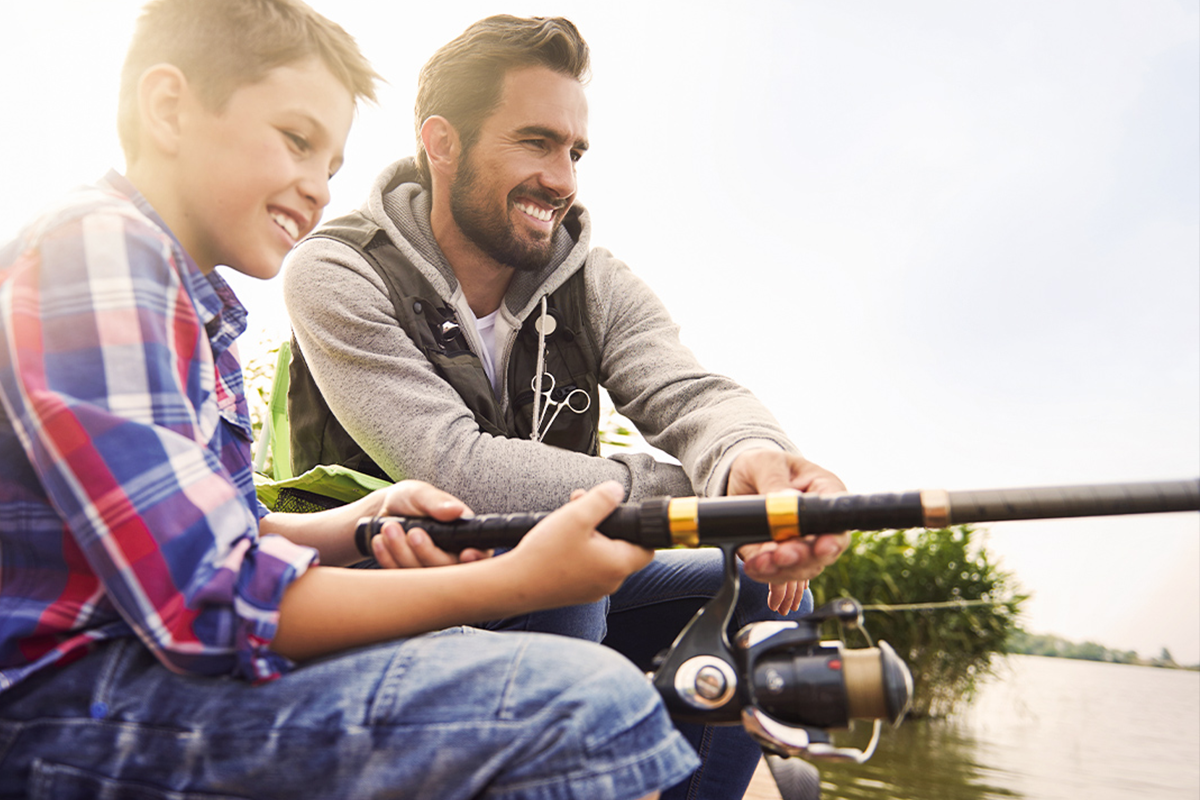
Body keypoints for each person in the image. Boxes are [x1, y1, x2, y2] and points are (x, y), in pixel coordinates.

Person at [0, 2, 699, 798]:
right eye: (297, 141)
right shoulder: (99, 256)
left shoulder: (193, 310)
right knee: (589, 702)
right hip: (58, 708)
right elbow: (205, 606)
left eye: (331, 167)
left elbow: (223, 533)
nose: (317, 189)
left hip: (130, 677)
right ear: (169, 110)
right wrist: (519, 582)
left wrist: (358, 527)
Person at [284, 14, 851, 799]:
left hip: (548, 569)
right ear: (442, 142)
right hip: (380, 584)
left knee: (759, 587)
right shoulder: (333, 270)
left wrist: (749, 464)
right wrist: (705, 497)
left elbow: (691, 395)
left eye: (574, 151)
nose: (565, 179)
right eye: (536, 142)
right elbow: (458, 469)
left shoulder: (597, 280)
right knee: (572, 590)